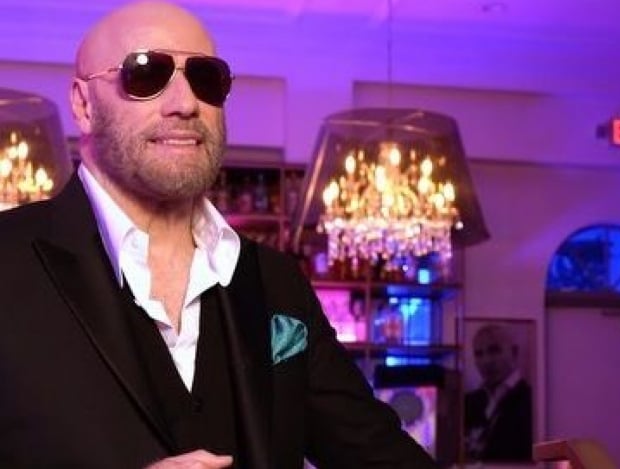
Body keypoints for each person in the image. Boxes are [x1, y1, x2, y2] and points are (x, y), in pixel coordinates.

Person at [0, 2, 437, 468]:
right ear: (84, 105)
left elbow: (378, 455)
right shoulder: (8, 260)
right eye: (145, 74)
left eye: (205, 78)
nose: (186, 103)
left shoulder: (275, 282)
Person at [464, 324, 533, 463]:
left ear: (514, 352)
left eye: (494, 350)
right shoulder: (468, 401)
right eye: (479, 354)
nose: (486, 361)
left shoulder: (530, 401)